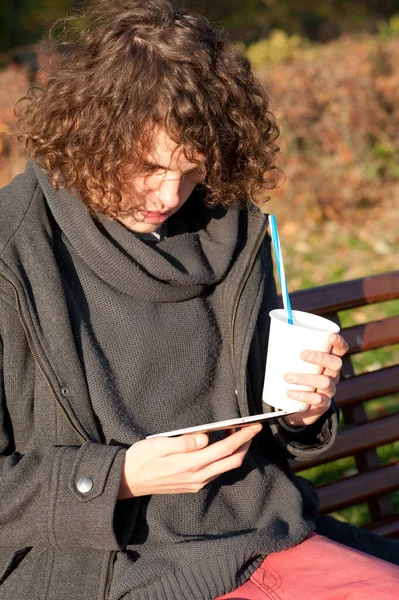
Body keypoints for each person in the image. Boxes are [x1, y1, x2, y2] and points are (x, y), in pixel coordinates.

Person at [0, 1, 398, 599]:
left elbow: (263, 424)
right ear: (86, 128)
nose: (168, 194)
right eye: (148, 166)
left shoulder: (229, 228)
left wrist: (299, 410)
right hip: (105, 570)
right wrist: (118, 478)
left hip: (261, 535)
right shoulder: (14, 251)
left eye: (193, 169)